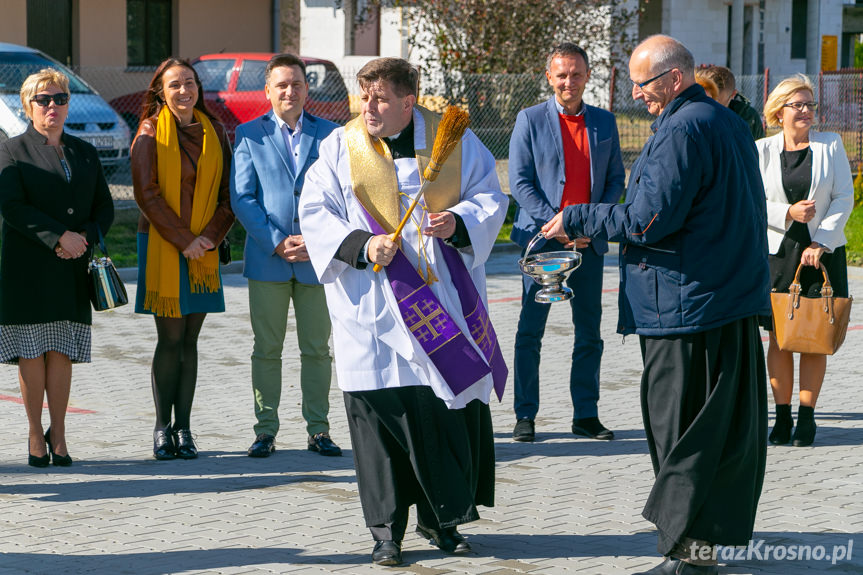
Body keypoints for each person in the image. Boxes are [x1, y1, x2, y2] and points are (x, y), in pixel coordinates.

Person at [542, 36, 769, 575]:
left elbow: (647, 220)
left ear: (673, 79)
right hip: (723, 302)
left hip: (685, 310)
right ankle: (702, 551)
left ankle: (686, 553)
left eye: (643, 84)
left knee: (681, 432)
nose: (638, 95)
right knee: (716, 434)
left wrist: (578, 218)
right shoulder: (727, 121)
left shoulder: (684, 128)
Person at [299, 57, 507, 566]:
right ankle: (385, 532)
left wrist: (455, 222)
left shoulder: (450, 141)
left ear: (408, 102)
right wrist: (363, 245)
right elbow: (314, 211)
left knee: (441, 413)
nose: (368, 107)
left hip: (440, 306)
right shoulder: (339, 147)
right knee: (378, 421)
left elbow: (489, 198)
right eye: (363, 96)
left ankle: (442, 520)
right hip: (370, 310)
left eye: (381, 99)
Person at [509, 42, 624, 443]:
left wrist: (590, 223)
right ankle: (525, 415)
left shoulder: (605, 123)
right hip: (542, 242)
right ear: (549, 77)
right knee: (529, 333)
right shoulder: (529, 119)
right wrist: (554, 224)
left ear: (587, 76)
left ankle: (585, 415)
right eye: (561, 75)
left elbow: (614, 181)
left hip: (587, 243)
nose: (568, 82)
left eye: (576, 74)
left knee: (589, 332)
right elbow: (520, 183)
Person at [0, 69, 114, 468]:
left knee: (61, 352)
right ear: (27, 106)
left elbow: (105, 205)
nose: (52, 106)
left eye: (60, 99)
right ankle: (35, 435)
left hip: (71, 268)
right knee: (31, 353)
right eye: (43, 100)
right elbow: (12, 207)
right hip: (27, 270)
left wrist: (80, 237)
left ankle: (60, 435)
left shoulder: (84, 151)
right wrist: (57, 237)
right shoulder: (11, 150)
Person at [230, 53, 341, 458]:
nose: (289, 91)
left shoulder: (332, 134)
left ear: (307, 88)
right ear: (268, 91)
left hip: (317, 259)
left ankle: (319, 429)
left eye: (296, 83)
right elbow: (242, 197)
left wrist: (318, 239)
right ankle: (265, 430)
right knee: (267, 349)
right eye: (281, 85)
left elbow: (341, 196)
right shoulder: (248, 135)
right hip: (268, 258)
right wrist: (276, 240)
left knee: (317, 349)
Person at [131, 58, 235, 461]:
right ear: (161, 91)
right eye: (175, 85)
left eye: (189, 83)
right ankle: (162, 428)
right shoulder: (149, 133)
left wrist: (208, 238)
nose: (184, 91)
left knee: (191, 341)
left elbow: (229, 194)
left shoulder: (215, 132)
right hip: (163, 245)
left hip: (204, 251)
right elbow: (146, 194)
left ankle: (185, 428)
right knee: (170, 340)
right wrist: (184, 240)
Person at [756, 74, 853, 448]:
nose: (807, 111)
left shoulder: (830, 146)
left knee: (814, 338)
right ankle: (781, 419)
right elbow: (750, 201)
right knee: (779, 339)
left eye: (810, 105)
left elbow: (844, 198)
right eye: (798, 105)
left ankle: (807, 419)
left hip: (821, 257)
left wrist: (823, 242)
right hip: (778, 254)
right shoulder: (760, 149)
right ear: (779, 111)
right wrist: (787, 212)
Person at [699, 65, 765, 140]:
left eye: (718, 106)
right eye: (706, 102)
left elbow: (758, 148)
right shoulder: (689, 113)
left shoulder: (749, 118)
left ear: (733, 94)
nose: (710, 110)